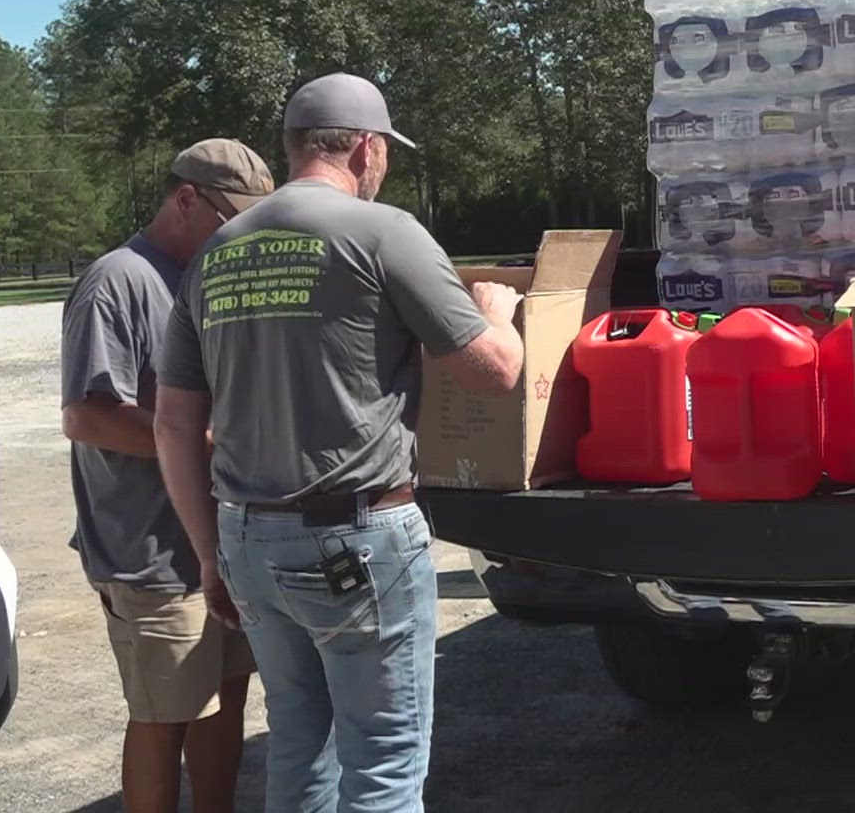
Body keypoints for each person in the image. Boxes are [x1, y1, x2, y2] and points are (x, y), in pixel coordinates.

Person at [153, 72, 525, 813]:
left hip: (247, 537)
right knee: (384, 763)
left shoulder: (218, 252)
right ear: (365, 147)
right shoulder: (383, 231)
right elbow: (495, 374)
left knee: (299, 744)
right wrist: (499, 313)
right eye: (384, 150)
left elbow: (172, 422)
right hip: (355, 542)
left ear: (292, 147)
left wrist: (207, 553)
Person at [60, 138, 274, 813]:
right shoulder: (117, 281)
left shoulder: (208, 276)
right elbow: (86, 416)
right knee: (164, 713)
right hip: (150, 549)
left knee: (224, 698)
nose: (239, 231)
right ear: (186, 199)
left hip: (223, 541)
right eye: (229, 215)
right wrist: (202, 444)